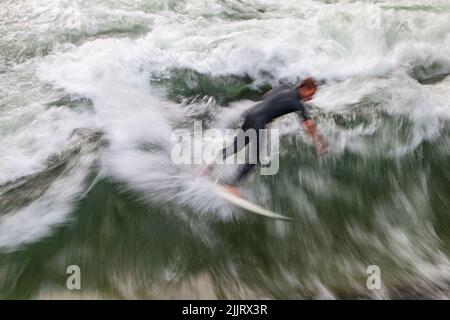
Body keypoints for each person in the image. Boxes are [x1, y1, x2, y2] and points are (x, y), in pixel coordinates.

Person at [212, 77, 328, 196]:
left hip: (251, 114)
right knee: (254, 158)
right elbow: (309, 125)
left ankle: (209, 168)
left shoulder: (284, 88)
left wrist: (271, 111)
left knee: (236, 146)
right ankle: (232, 186)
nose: (312, 97)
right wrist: (320, 143)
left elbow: (267, 95)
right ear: (305, 88)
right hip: (259, 122)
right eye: (312, 93)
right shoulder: (298, 103)